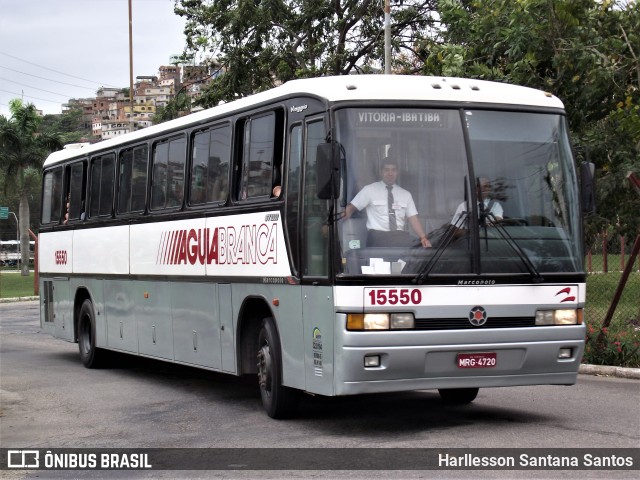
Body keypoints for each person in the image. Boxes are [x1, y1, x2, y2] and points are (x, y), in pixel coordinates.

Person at [344, 159, 431, 248]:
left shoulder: (405, 194)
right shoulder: (369, 190)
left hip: (399, 237)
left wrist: (423, 238)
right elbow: (351, 208)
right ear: (381, 172)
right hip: (377, 237)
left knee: (418, 249)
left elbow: (413, 219)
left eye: (393, 170)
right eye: (386, 170)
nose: (390, 173)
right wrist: (334, 220)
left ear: (397, 172)